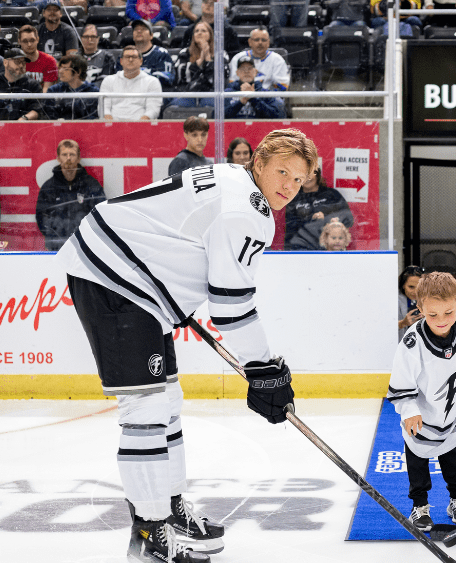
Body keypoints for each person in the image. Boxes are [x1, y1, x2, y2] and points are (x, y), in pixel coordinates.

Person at [57, 129, 318, 563]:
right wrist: (263, 369)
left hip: (136, 282)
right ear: (257, 163)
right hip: (116, 280)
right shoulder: (245, 209)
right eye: (282, 172)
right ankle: (147, 531)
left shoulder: (236, 181)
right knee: (145, 409)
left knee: (167, 399)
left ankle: (170, 509)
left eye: (299, 179)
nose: (288, 187)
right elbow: (231, 306)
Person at [386, 271, 456, 532]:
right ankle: (419, 504)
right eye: (432, 314)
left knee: (454, 456)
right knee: (418, 459)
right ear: (419, 308)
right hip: (421, 412)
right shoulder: (413, 340)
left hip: (452, 410)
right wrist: (408, 409)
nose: (441, 321)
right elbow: (402, 380)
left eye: (449, 312)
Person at [35, 139, 106, 251]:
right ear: (58, 158)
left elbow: (100, 214)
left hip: (86, 246)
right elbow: (41, 218)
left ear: (79, 158)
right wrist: (54, 236)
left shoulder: (91, 185)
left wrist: (88, 236)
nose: (68, 158)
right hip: (56, 248)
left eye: (72, 154)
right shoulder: (49, 187)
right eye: (64, 154)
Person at [284, 166, 355, 250]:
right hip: (301, 248)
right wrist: (311, 218)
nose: (308, 178)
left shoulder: (331, 195)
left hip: (329, 249)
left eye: (311, 174)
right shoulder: (294, 198)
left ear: (317, 175)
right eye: (304, 175)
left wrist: (331, 221)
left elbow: (348, 219)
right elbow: (290, 226)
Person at [171, 21, 227, 108]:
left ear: (210, 35)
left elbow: (220, 77)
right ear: (193, 36)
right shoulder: (185, 52)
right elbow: (181, 75)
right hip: (187, 92)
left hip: (212, 93)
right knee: (176, 106)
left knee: (212, 106)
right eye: (196, 31)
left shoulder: (221, 53)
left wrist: (208, 58)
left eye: (203, 31)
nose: (199, 33)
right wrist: (201, 59)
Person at [99, 45, 163, 120]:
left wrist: (139, 125)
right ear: (121, 61)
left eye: (134, 57)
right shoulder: (108, 80)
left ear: (141, 61)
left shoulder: (152, 82)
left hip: (142, 127)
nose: (130, 59)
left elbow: (153, 110)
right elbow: (103, 108)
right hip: (113, 126)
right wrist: (110, 123)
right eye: (127, 57)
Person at [0, 48, 41, 121]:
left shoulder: (33, 84)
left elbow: (37, 109)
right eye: (17, 62)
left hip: (23, 128)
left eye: (23, 62)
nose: (21, 66)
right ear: (5, 63)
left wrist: (24, 119)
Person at [229, 28, 290, 93]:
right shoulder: (237, 58)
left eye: (263, 40)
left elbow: (282, 89)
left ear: (268, 43)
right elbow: (232, 86)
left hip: (267, 99)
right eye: (256, 40)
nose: (260, 43)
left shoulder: (278, 60)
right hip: (242, 97)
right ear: (250, 42)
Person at [45, 54, 99, 120]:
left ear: (78, 72)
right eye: (60, 68)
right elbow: (49, 115)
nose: (60, 71)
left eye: (65, 69)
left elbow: (94, 117)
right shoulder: (53, 90)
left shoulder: (93, 92)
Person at [127, 19, 174, 90]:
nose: (139, 31)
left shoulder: (161, 54)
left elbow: (166, 79)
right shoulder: (125, 55)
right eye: (136, 29)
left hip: (154, 95)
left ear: (151, 35)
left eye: (143, 29)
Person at [18, 25, 57, 93]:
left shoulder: (49, 61)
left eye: (32, 40)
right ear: (19, 42)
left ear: (37, 39)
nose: (29, 44)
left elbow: (47, 90)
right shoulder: (14, 62)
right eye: (25, 41)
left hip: (40, 100)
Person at [397, 265, 425, 339]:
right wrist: (403, 323)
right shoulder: (394, 301)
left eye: (419, 287)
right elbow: (383, 327)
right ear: (403, 285)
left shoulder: (430, 299)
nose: (415, 292)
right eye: (411, 287)